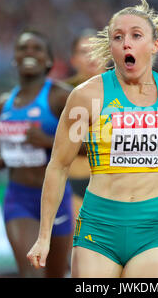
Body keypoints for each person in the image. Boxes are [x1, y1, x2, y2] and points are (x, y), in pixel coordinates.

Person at [27, 0, 158, 278]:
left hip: (151, 230)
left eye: (136, 35)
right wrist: (44, 236)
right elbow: (58, 165)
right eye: (118, 37)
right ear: (111, 48)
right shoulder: (86, 96)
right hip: (99, 229)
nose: (126, 43)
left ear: (154, 45)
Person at [0, 30, 74, 277]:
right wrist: (0, 161)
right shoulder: (4, 102)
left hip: (56, 199)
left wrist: (47, 141)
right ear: (14, 57)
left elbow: (88, 149)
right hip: (18, 198)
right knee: (32, 272)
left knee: (54, 274)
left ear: (48, 60)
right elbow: (17, 151)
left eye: (37, 49)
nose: (29, 53)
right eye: (23, 48)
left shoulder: (62, 96)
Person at [64, 29, 106, 223]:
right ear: (73, 60)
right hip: (74, 183)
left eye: (96, 49)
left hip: (113, 182)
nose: (91, 56)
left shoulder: (126, 90)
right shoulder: (60, 95)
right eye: (83, 51)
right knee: (81, 247)